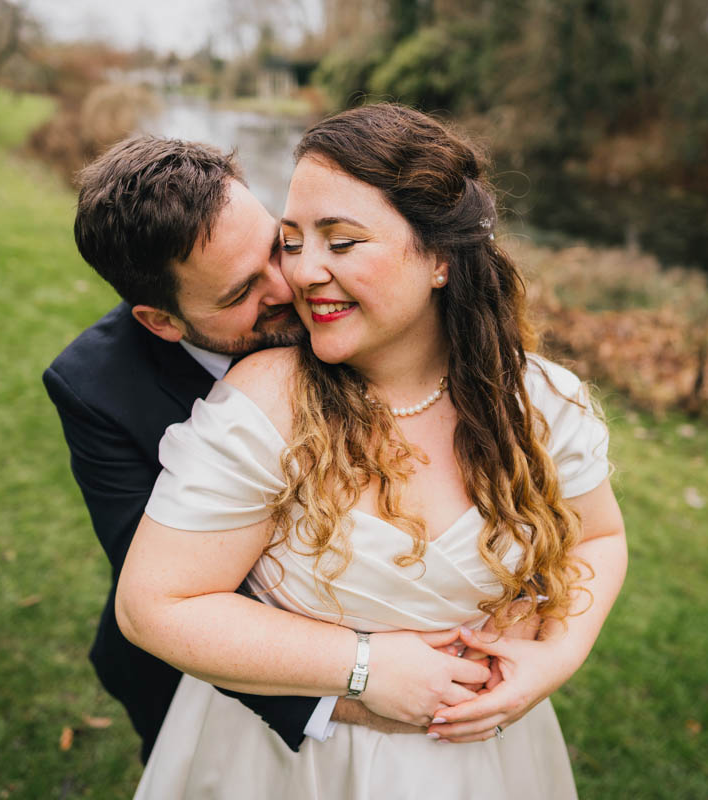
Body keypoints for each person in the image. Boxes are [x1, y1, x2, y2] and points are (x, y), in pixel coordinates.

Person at [116, 104, 628, 797]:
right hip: (291, 769)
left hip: (490, 764)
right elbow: (156, 605)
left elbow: (597, 537)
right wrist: (364, 668)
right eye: (292, 241)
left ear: (441, 257)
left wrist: (557, 656)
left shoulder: (541, 400)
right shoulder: (268, 403)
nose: (301, 272)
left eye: (342, 240)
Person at [43, 136, 509, 764]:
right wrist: (367, 693)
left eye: (276, 246)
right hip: (201, 684)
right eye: (240, 294)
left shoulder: (353, 317)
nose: (290, 286)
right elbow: (181, 600)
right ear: (162, 321)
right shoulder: (94, 388)